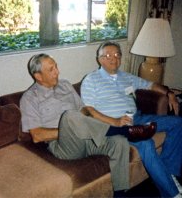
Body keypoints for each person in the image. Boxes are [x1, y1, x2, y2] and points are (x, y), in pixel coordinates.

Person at [20, 53, 157, 197]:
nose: (57, 72)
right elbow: (37, 135)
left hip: (88, 138)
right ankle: (124, 131)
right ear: (38, 76)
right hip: (63, 146)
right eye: (51, 69)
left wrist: (91, 116)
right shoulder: (29, 98)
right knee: (70, 116)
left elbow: (84, 110)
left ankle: (120, 193)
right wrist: (70, 130)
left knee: (119, 142)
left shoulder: (65, 85)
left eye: (56, 66)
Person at [81, 41, 182, 198]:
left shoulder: (126, 77)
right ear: (99, 59)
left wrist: (169, 93)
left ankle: (169, 174)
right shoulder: (91, 80)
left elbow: (151, 84)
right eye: (107, 56)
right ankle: (172, 193)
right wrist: (115, 122)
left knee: (177, 122)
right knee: (146, 143)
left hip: (138, 118)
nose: (113, 59)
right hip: (114, 124)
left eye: (117, 55)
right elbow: (90, 110)